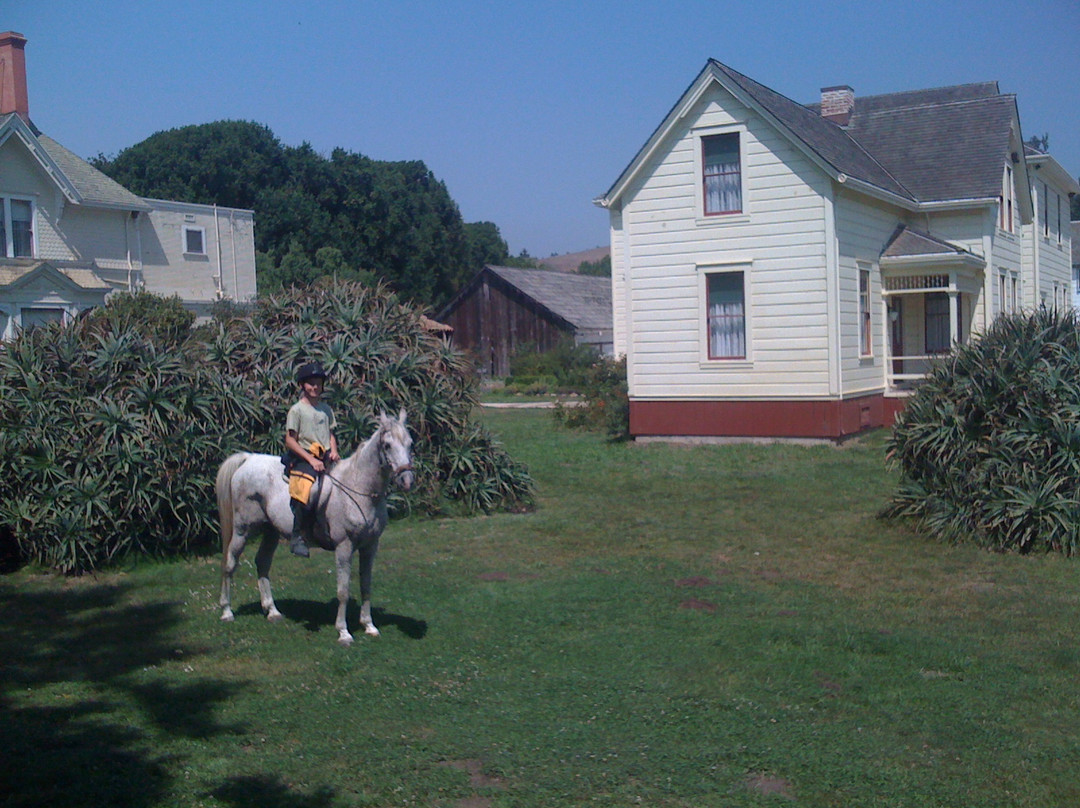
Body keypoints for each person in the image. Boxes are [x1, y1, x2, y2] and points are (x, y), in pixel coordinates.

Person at [284, 361, 340, 557]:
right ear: (302, 385)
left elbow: (330, 433)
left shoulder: (326, 409)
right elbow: (290, 440)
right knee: (308, 490)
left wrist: (333, 450)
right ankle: (298, 536)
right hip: (304, 456)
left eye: (318, 383)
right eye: (310, 384)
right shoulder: (297, 410)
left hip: (324, 457)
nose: (315, 387)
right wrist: (310, 459)